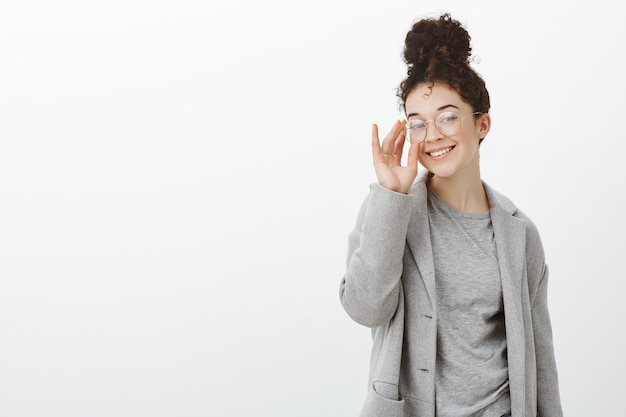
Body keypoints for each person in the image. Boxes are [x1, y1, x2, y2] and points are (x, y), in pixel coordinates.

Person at [339, 13, 563, 417]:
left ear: (482, 123)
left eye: (447, 117)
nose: (434, 135)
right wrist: (392, 195)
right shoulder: (391, 208)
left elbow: (541, 359)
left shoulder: (521, 234)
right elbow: (364, 308)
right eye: (418, 124)